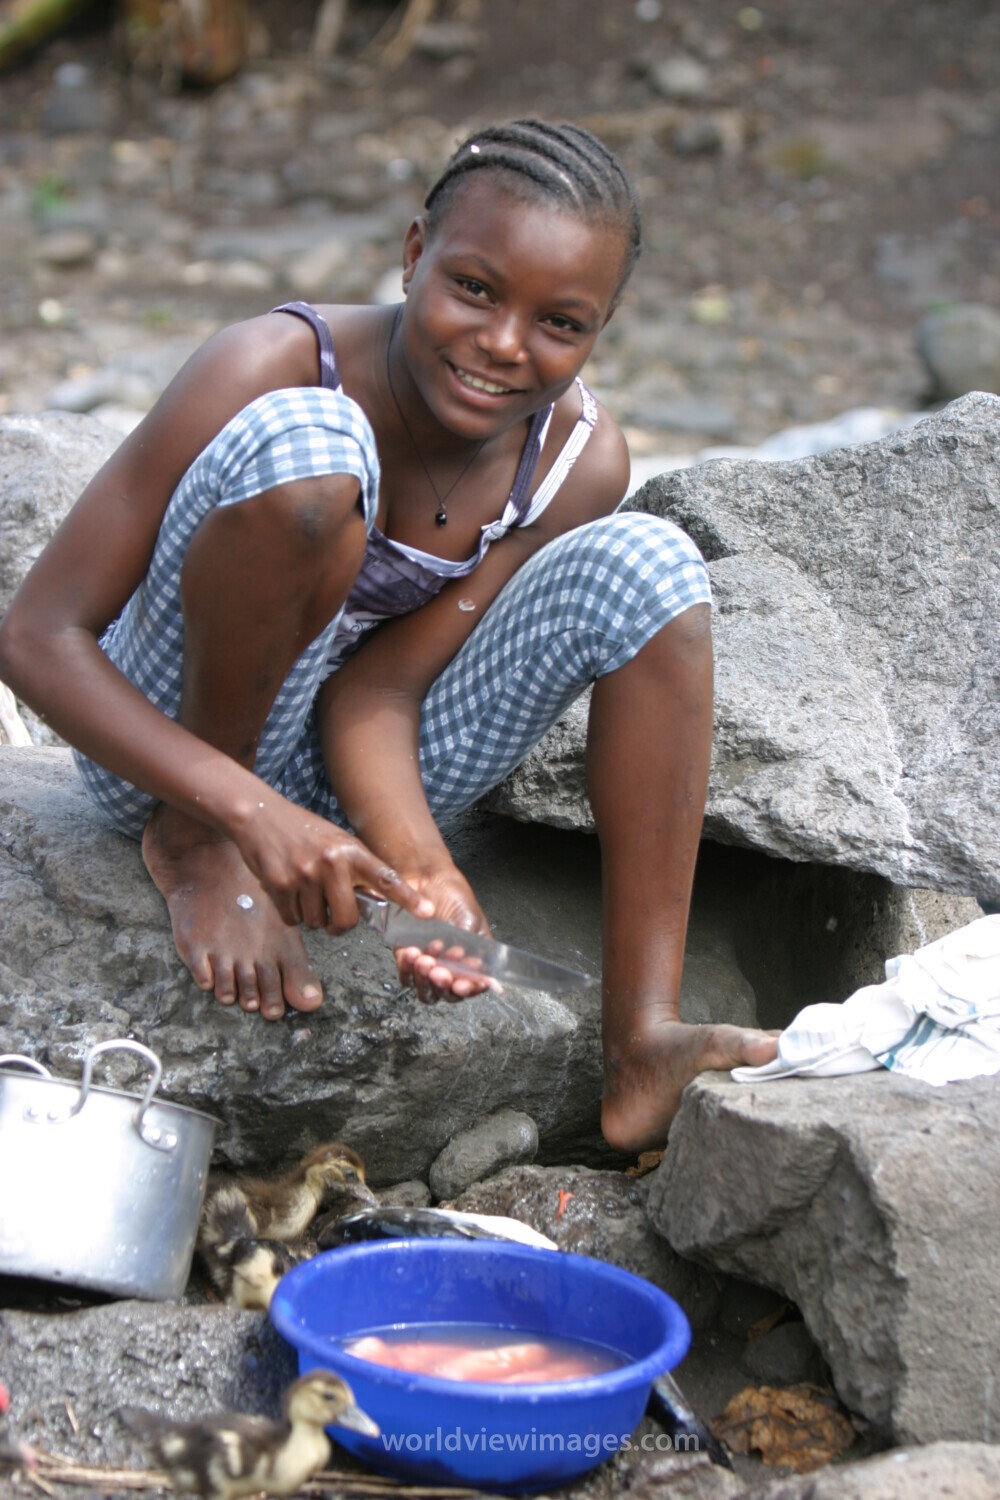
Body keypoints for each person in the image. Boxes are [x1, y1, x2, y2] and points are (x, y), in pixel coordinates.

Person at [0, 119, 776, 1151]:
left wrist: (423, 873)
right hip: (176, 749)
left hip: (355, 778)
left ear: (602, 325)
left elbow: (377, 691)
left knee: (656, 562)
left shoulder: (573, 459)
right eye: (475, 289)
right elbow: (37, 636)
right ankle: (195, 844)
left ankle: (642, 1040)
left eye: (560, 322)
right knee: (314, 450)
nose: (505, 345)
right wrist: (244, 812)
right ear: (415, 254)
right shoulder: (274, 361)